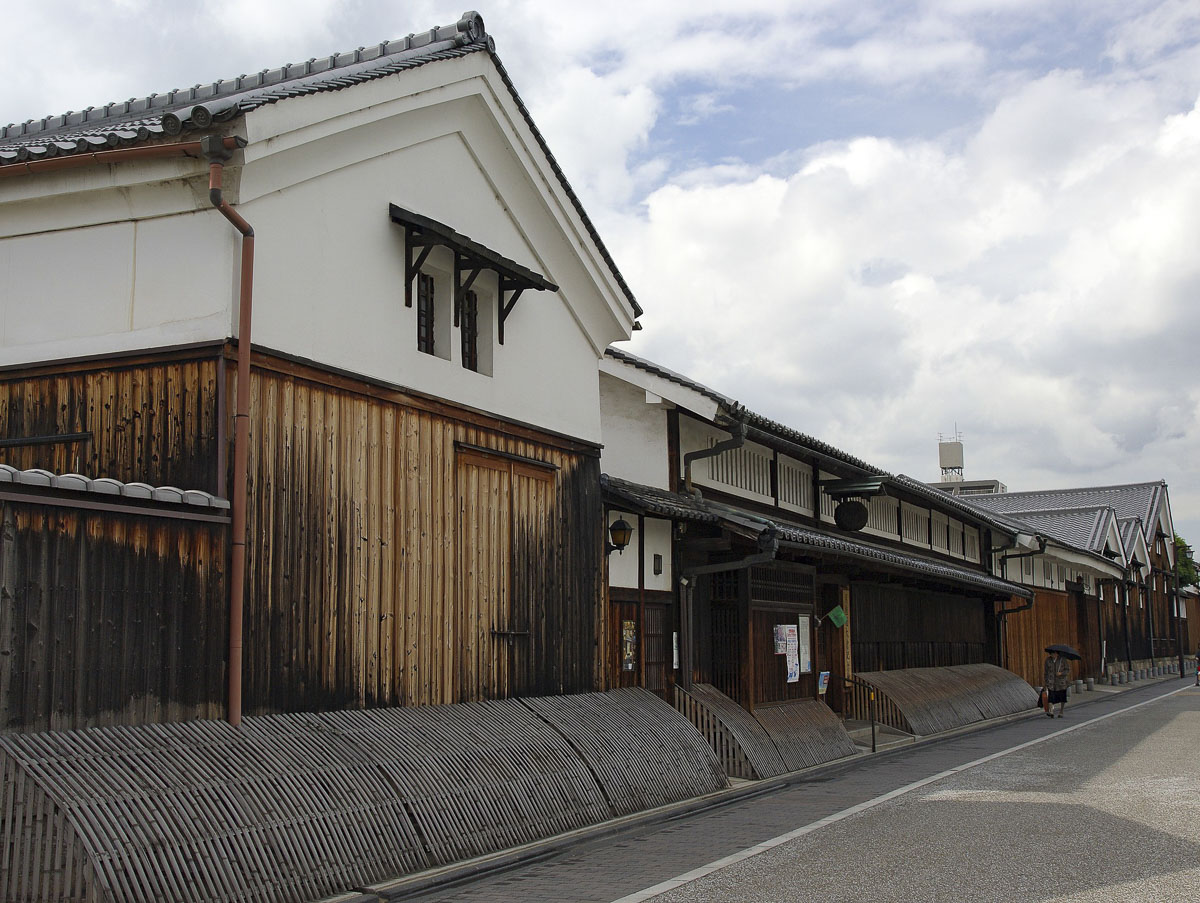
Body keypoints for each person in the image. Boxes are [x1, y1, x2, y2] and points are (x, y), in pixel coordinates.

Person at [1043, 650, 1072, 718]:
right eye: (1052, 653)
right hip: (1051, 682)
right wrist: (1045, 682)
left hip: (1061, 682)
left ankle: (1061, 711)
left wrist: (1061, 673)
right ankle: (1051, 711)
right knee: (1051, 696)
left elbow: (1067, 670)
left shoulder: (1062, 660)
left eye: (1055, 653)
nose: (1054, 655)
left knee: (1062, 697)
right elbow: (1046, 672)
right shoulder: (1048, 660)